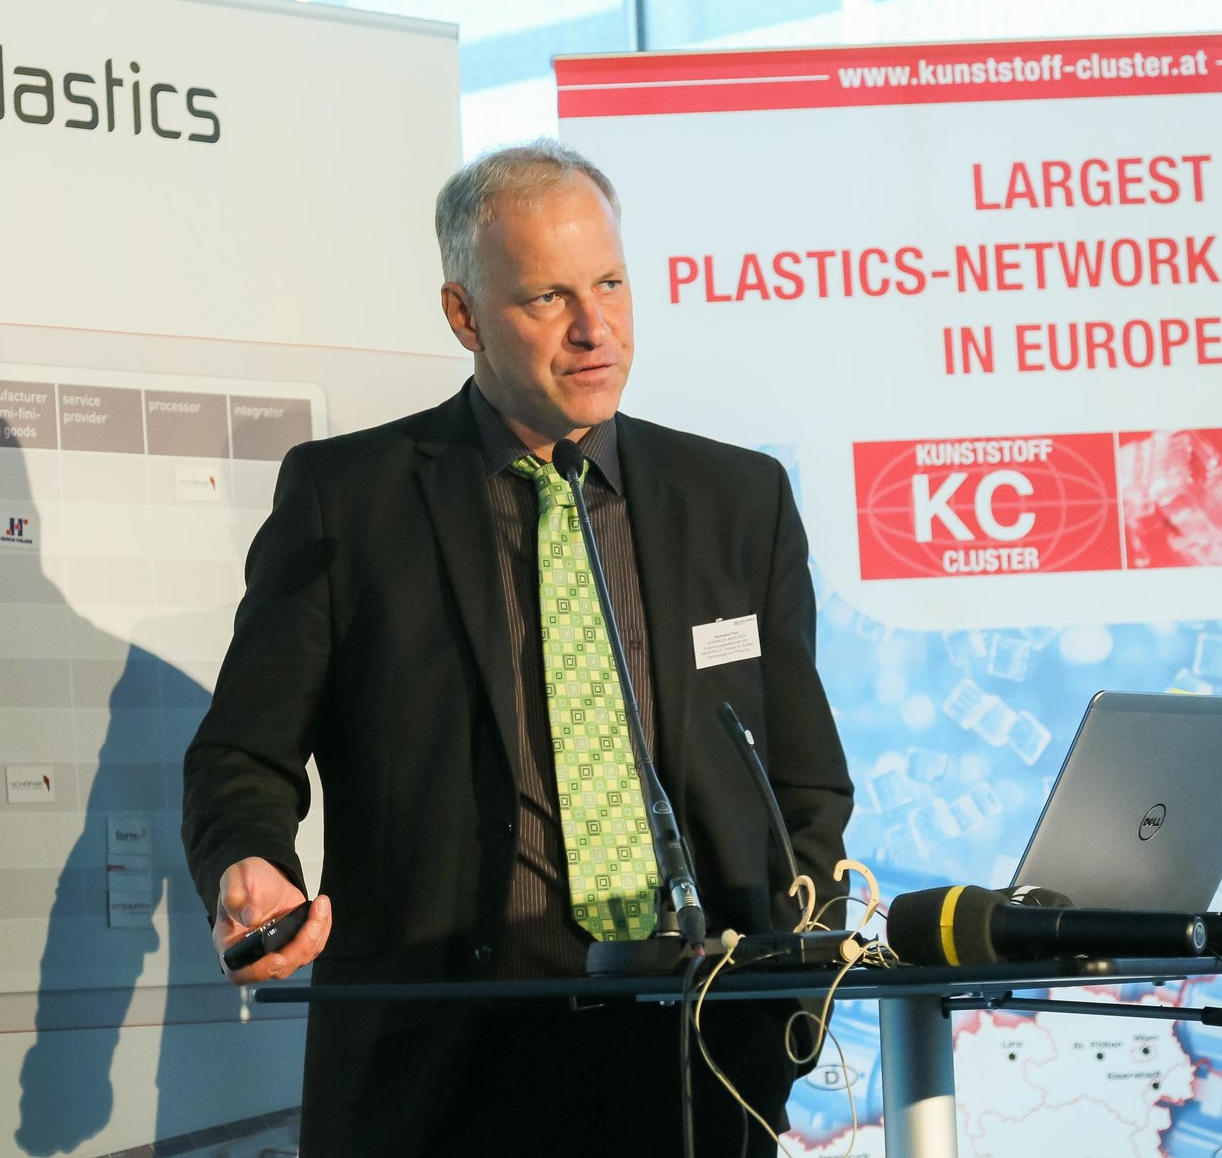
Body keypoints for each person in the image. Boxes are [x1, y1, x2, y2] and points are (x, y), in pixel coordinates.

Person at [181, 139, 854, 1156]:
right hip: (445, 1071)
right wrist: (250, 861)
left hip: (698, 1059)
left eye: (611, 284)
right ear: (463, 315)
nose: (594, 328)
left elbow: (803, 781)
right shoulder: (349, 500)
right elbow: (242, 753)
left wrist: (784, 1007)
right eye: (547, 297)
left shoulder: (737, 500)